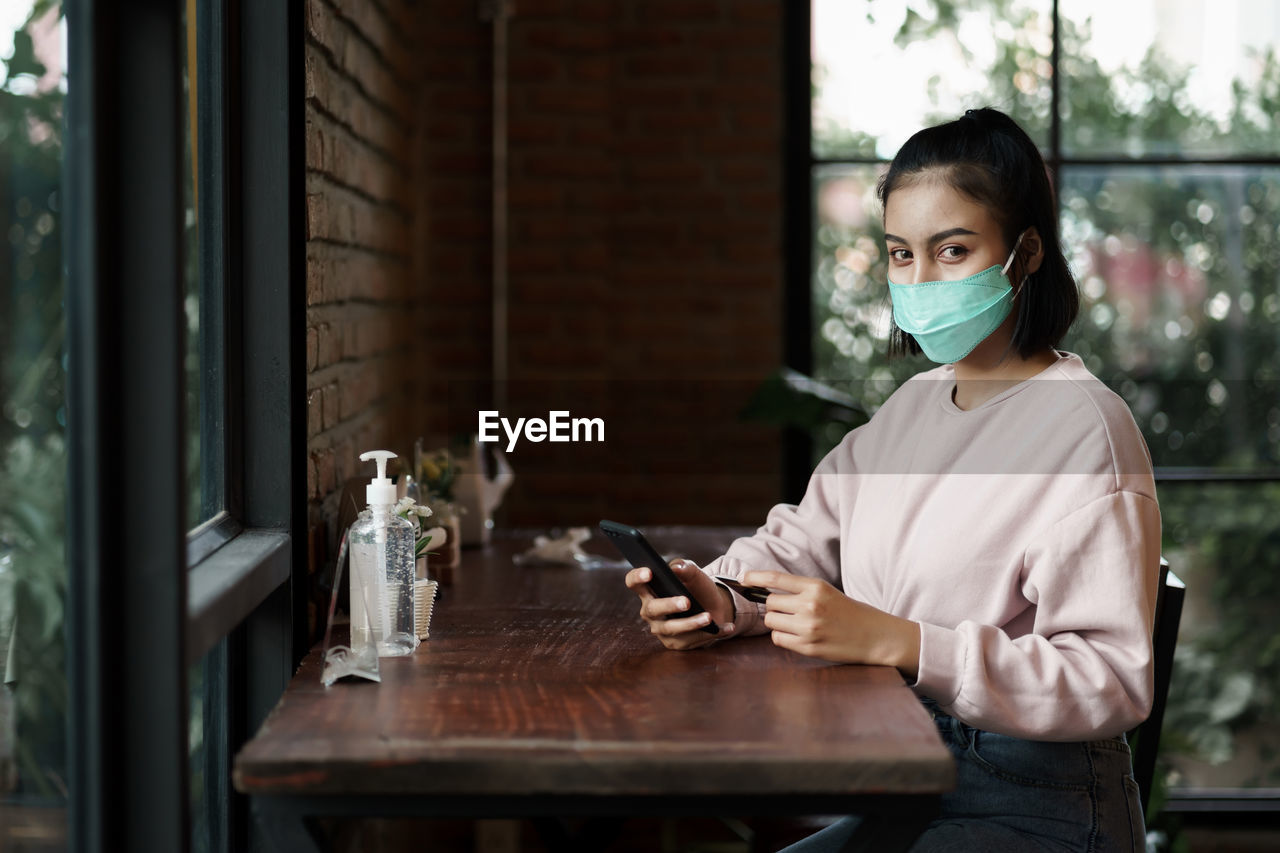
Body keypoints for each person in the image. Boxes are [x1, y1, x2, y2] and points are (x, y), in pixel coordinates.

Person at [624, 107, 1161, 852]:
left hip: (1040, 803)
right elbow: (801, 542)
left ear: (1027, 251)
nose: (920, 278)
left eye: (951, 250)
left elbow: (1110, 679)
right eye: (900, 254)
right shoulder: (910, 409)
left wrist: (905, 642)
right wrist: (720, 597)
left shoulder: (1086, 429)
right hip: (909, 777)